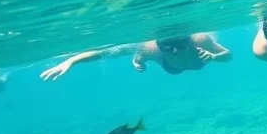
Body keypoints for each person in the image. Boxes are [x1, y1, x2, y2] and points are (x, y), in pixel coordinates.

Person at [39, 33, 231, 81]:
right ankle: (137, 59)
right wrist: (71, 61)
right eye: (167, 46)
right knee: (140, 58)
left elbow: (228, 56)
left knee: (141, 57)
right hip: (169, 68)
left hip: (199, 64)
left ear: (189, 40)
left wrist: (214, 57)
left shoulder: (200, 39)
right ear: (159, 44)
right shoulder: (151, 49)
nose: (176, 50)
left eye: (181, 44)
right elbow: (103, 53)